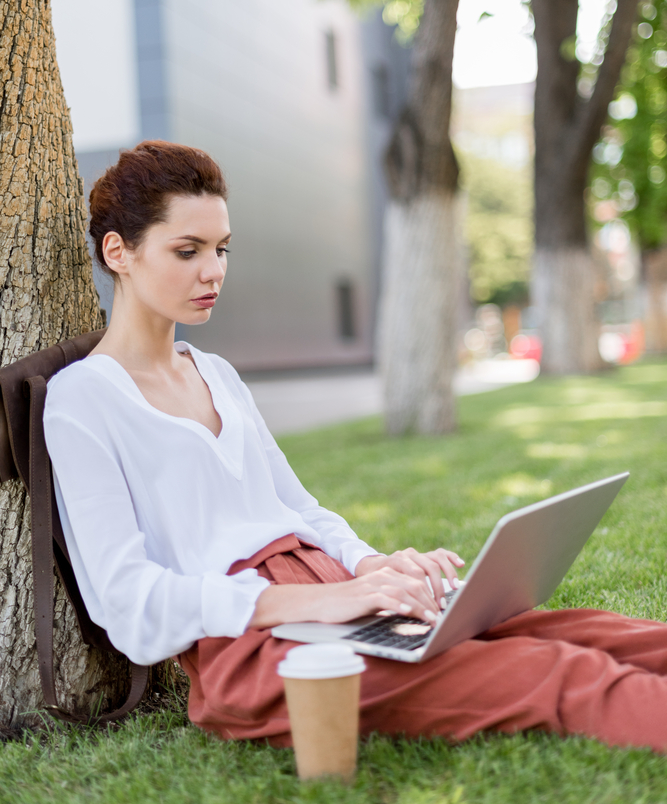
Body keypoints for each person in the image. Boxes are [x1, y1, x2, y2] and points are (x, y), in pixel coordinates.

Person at [45, 140, 667, 753]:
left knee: (585, 631)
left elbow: (300, 509)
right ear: (119, 252)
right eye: (188, 251)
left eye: (221, 248)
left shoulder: (215, 374)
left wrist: (370, 566)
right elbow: (126, 602)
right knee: (559, 671)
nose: (214, 271)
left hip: (329, 590)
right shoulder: (81, 400)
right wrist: (325, 598)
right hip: (257, 649)